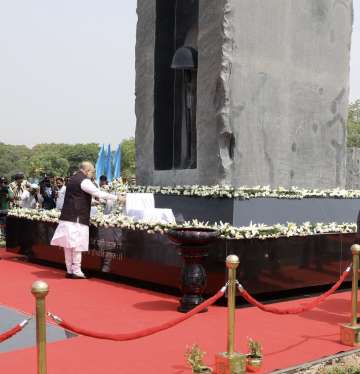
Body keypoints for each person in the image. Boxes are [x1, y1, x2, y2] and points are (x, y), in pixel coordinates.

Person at [50, 161, 120, 279]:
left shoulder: (72, 179)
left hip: (67, 216)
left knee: (68, 246)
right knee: (77, 245)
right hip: (77, 218)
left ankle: (69, 270)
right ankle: (76, 270)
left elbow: (77, 197)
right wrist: (117, 197)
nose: (93, 174)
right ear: (87, 170)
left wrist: (92, 202)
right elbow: (97, 192)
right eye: (92, 171)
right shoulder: (84, 180)